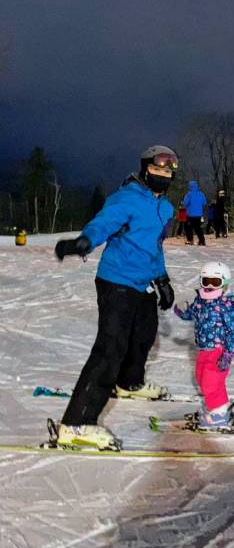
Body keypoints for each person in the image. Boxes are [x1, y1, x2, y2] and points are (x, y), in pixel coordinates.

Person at [52, 145, 179, 450]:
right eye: (157, 169)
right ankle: (76, 423)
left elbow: (154, 246)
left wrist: (161, 278)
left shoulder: (165, 207)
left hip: (143, 282)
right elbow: (104, 223)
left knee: (143, 336)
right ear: (145, 169)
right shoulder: (128, 198)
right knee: (110, 349)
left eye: (167, 172)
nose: (162, 176)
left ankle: (129, 383)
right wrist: (86, 241)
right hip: (116, 282)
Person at [173, 261, 234, 430]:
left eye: (215, 282)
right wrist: (183, 313)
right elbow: (193, 313)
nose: (210, 286)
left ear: (224, 283)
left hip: (219, 350)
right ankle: (222, 404)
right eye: (206, 281)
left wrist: (228, 353)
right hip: (204, 349)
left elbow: (233, 331)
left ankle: (219, 414)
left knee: (211, 382)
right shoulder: (200, 300)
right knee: (201, 378)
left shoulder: (226, 305)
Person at [182, 180, 207, 246]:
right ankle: (202, 241)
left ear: (190, 186)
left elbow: (185, 203)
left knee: (188, 228)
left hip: (190, 215)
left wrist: (182, 203)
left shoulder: (189, 194)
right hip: (199, 215)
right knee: (198, 228)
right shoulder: (201, 194)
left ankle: (190, 240)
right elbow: (204, 203)